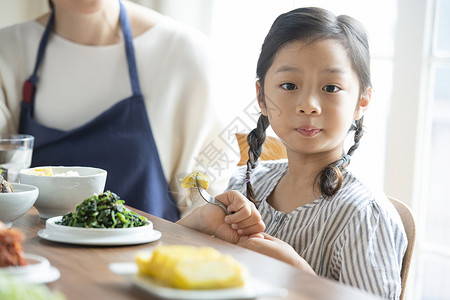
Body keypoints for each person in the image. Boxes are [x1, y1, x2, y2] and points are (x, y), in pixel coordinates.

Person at [195, 7, 406, 300]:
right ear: (261, 97)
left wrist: (298, 274)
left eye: (330, 87)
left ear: (362, 101)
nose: (308, 104)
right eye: (289, 85)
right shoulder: (243, 186)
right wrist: (201, 222)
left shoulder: (363, 216)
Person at [0, 0, 236, 221]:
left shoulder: (188, 55)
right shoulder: (7, 51)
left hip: (151, 262)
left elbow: (209, 212)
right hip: (34, 262)